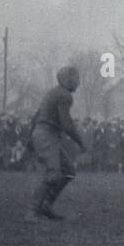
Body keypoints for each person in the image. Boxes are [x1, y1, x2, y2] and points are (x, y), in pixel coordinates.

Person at [26, 66, 87, 221]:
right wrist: (81, 142)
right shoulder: (63, 95)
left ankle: (46, 205)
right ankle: (32, 212)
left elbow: (36, 117)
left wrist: (31, 139)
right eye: (76, 78)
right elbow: (66, 124)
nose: (78, 82)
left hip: (46, 134)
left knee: (69, 171)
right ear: (68, 79)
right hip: (47, 134)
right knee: (53, 173)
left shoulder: (54, 92)